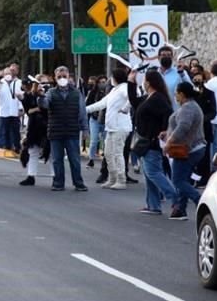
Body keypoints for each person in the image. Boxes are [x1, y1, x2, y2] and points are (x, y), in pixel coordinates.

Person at [128, 70, 178, 215]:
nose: (143, 82)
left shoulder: (158, 99)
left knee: (153, 172)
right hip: (144, 141)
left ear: (148, 82)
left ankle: (176, 199)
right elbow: (134, 101)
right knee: (149, 174)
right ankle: (153, 205)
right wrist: (131, 82)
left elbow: (168, 113)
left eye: (144, 80)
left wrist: (163, 131)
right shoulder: (148, 98)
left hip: (152, 141)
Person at [40, 66, 88, 191]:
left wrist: (85, 130)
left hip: (72, 130)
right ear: (55, 79)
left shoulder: (77, 93)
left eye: (64, 76)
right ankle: (58, 183)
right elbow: (44, 104)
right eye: (59, 77)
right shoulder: (50, 92)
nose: (62, 79)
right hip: (55, 131)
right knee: (57, 159)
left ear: (69, 77)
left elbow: (82, 112)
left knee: (75, 159)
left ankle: (78, 183)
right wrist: (39, 96)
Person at [163, 83, 206, 221]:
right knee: (184, 179)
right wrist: (167, 133)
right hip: (193, 148)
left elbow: (183, 127)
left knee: (178, 180)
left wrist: (169, 142)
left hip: (188, 149)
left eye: (176, 93)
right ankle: (180, 210)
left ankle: (199, 200)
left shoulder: (187, 108)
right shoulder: (191, 106)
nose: (175, 95)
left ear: (182, 94)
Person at [85, 67, 133, 189]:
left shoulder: (124, 88)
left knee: (117, 153)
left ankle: (121, 180)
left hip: (120, 127)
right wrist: (84, 110)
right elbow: (101, 103)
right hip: (111, 127)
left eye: (112, 77)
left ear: (115, 78)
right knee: (108, 154)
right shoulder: (114, 90)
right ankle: (112, 178)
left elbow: (131, 97)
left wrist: (126, 108)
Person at [19, 75, 49, 186]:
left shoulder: (50, 94)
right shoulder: (29, 96)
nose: (41, 85)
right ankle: (31, 176)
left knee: (50, 151)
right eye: (38, 83)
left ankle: (56, 175)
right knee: (33, 151)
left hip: (47, 125)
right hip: (34, 126)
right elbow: (28, 111)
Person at [0, 66, 23, 154]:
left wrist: (21, 108)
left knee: (15, 131)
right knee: (3, 131)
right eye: (6, 73)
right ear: (3, 75)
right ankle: (1, 147)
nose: (8, 75)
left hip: (14, 111)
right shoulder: (0, 84)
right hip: (3, 112)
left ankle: (16, 147)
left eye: (9, 73)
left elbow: (21, 96)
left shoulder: (18, 82)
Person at [158, 45, 190, 111]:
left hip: (175, 113)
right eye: (163, 55)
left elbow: (190, 88)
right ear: (158, 57)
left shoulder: (180, 72)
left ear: (172, 57)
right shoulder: (154, 74)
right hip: (158, 114)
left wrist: (182, 73)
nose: (166, 57)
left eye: (169, 55)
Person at [85, 75, 108, 167]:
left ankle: (106, 160)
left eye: (104, 82)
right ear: (97, 83)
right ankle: (91, 159)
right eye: (101, 82)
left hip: (106, 120)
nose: (103, 84)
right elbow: (88, 105)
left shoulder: (110, 93)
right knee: (94, 140)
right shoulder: (93, 93)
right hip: (94, 119)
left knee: (106, 141)